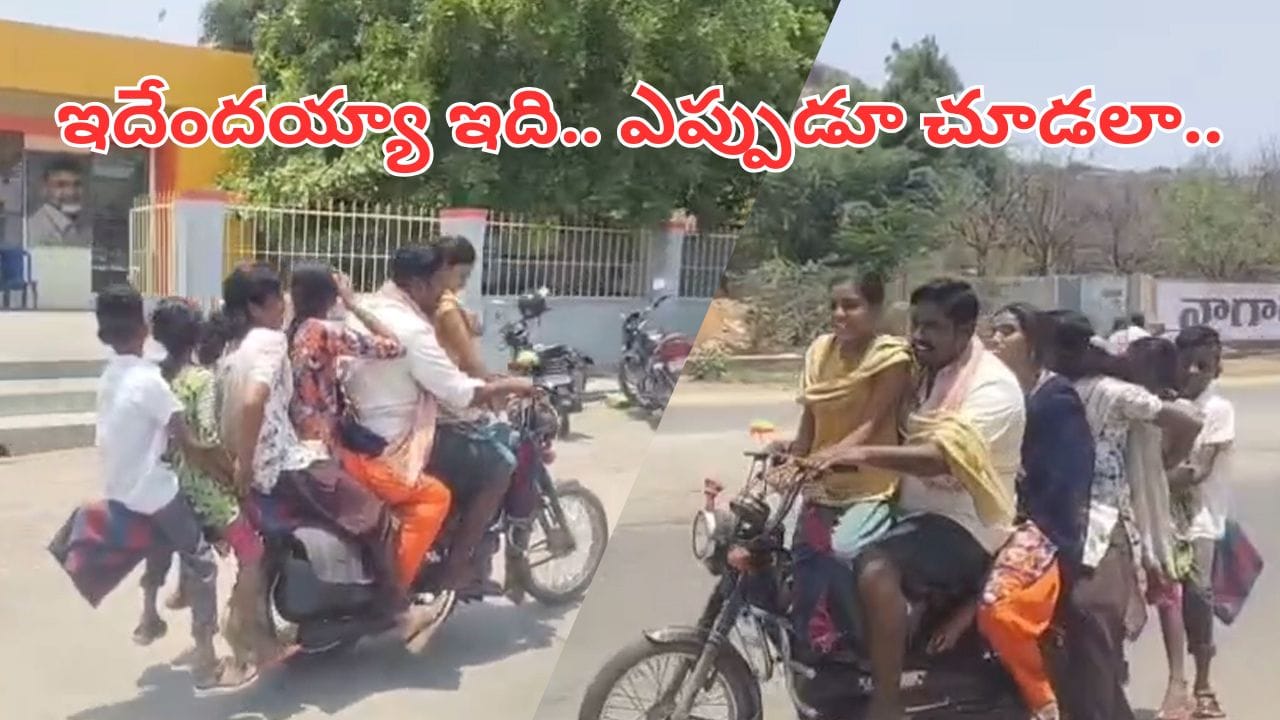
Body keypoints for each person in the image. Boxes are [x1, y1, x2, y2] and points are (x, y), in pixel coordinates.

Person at [819, 279, 1026, 720]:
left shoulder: (993, 388)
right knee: (828, 545)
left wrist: (861, 454)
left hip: (969, 523)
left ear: (965, 330)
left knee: (877, 568)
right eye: (915, 324)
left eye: (932, 327)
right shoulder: (924, 370)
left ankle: (886, 701)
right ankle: (859, 655)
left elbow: (939, 458)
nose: (918, 336)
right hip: (913, 510)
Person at [217, 262, 436, 642]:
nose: (283, 302)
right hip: (300, 457)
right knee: (376, 517)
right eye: (276, 297)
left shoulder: (246, 345)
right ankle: (398, 612)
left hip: (282, 454)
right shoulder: (297, 335)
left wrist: (239, 460)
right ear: (256, 306)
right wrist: (353, 303)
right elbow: (394, 347)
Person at [927, 303, 1095, 720]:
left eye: (1008, 331)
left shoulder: (1055, 399)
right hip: (992, 515)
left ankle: (1042, 701)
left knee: (1000, 610)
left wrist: (1019, 530)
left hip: (1043, 527)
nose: (996, 338)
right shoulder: (989, 393)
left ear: (1033, 341)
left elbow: (1065, 483)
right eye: (993, 330)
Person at [342, 246, 534, 595]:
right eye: (440, 286)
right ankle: (456, 569)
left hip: (358, 430)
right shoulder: (413, 327)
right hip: (397, 438)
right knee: (500, 463)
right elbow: (459, 389)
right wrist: (510, 386)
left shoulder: (364, 308)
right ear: (419, 285)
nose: (445, 294)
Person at [91, 284, 252, 691]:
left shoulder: (112, 375)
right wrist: (232, 471)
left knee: (161, 542)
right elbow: (195, 441)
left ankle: (149, 615)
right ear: (143, 330)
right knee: (202, 561)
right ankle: (207, 659)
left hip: (120, 485)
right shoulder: (155, 382)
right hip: (154, 486)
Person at [1043, 310, 1202, 720]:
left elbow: (1187, 421)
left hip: (1100, 520)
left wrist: (1164, 465)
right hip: (1050, 518)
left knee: (1092, 631)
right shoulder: (1045, 388)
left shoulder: (1110, 392)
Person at [766, 272, 913, 655]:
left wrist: (827, 458)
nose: (839, 314)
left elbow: (870, 425)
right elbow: (811, 416)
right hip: (821, 481)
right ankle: (811, 649)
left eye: (850, 305)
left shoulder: (890, 358)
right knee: (803, 562)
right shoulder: (820, 351)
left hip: (870, 486)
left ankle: (862, 645)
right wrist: (795, 460)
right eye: (833, 306)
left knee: (842, 551)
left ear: (875, 309)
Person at [146, 298, 285, 670]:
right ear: (197, 335)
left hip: (172, 482)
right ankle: (241, 629)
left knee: (198, 548)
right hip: (205, 485)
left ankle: (188, 601)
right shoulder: (201, 380)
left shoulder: (157, 377)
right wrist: (234, 474)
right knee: (253, 553)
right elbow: (206, 440)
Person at [430, 235, 534, 602]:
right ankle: (465, 564)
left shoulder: (433, 304)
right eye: (461, 274)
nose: (463, 282)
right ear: (446, 268)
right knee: (507, 460)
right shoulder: (445, 307)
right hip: (450, 410)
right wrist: (498, 390)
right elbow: (472, 363)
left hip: (443, 402)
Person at [1154, 326, 1234, 720]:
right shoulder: (1159, 402)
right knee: (1164, 599)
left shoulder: (1217, 409)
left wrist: (1144, 479)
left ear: (1217, 369)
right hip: (1159, 516)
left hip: (1199, 518)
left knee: (1198, 595)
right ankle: (1176, 683)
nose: (1193, 372)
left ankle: (1203, 683)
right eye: (1187, 363)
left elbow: (1195, 472)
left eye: (1203, 365)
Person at [26, 155, 90, 248]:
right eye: (61, 185)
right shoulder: (33, 230)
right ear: (44, 189)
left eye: (77, 184)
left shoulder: (84, 227)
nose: (71, 192)